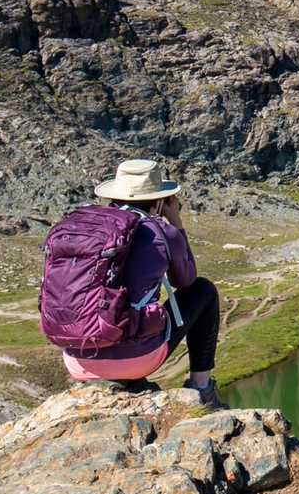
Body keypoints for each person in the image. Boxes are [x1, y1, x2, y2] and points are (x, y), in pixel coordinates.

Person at [58, 158, 224, 410]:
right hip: (137, 360)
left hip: (77, 360)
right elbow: (186, 280)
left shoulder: (81, 229)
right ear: (158, 200)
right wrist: (175, 221)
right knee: (204, 290)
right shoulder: (160, 231)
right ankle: (201, 387)